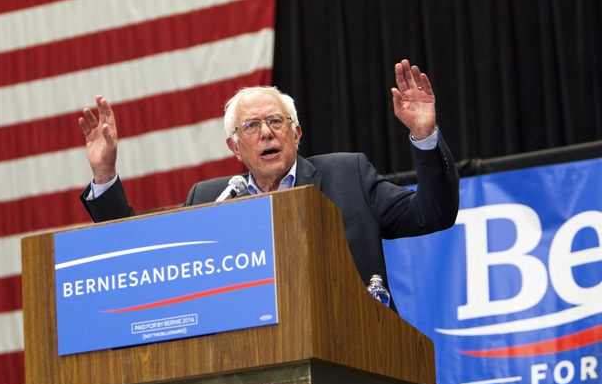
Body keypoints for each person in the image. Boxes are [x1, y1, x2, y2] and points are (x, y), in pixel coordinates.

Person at [78, 59, 459, 312]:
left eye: (276, 122)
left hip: (355, 355)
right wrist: (104, 175)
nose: (265, 133)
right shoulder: (212, 199)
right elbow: (145, 255)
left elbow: (433, 214)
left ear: (296, 133)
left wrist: (424, 137)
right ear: (235, 147)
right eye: (251, 126)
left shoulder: (348, 176)